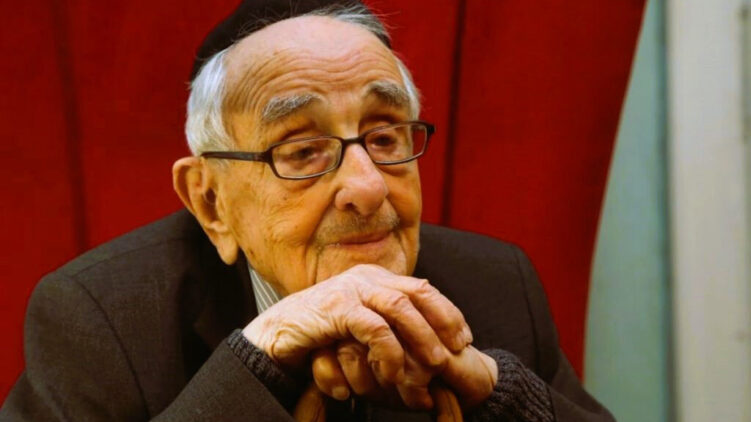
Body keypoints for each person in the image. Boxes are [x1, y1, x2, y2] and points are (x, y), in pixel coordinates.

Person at [1, 1, 615, 421]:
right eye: (301, 151)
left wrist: (498, 395)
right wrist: (257, 359)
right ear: (211, 202)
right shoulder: (103, 317)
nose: (367, 187)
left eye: (384, 137)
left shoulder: (495, 283)